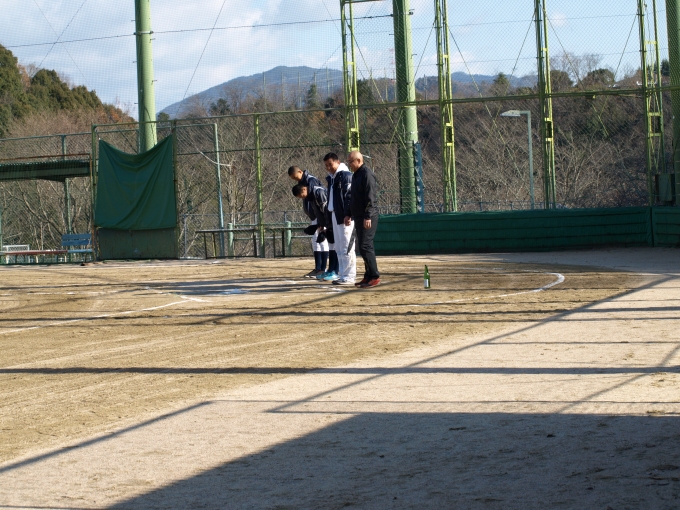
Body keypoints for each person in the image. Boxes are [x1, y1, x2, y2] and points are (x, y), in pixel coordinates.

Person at [347, 151, 380, 288]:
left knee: (365, 245)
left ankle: (374, 276)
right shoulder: (356, 175)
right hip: (359, 215)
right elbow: (354, 197)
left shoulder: (367, 174)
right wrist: (349, 214)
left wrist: (368, 215)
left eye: (351, 162)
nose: (349, 164)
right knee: (362, 246)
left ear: (359, 161)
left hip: (367, 216)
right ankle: (368, 276)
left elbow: (370, 197)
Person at [323, 152, 356, 286]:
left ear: (338, 162)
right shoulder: (333, 178)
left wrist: (348, 214)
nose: (328, 167)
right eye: (326, 165)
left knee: (347, 246)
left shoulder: (345, 176)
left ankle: (349, 276)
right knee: (339, 247)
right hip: (335, 214)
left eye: (330, 164)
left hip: (344, 215)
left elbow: (349, 196)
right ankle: (342, 274)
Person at [288, 165, 324, 277]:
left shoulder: (311, 181)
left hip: (319, 216)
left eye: (295, 177)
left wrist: (320, 218)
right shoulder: (302, 182)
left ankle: (322, 269)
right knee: (316, 243)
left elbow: (318, 198)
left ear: (300, 171)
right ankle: (318, 268)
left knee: (322, 242)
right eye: (293, 179)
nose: (295, 180)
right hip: (314, 217)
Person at [292, 182, 329, 278]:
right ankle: (319, 268)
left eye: (301, 195)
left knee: (325, 242)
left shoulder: (317, 191)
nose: (303, 198)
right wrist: (319, 223)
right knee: (317, 242)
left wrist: (324, 224)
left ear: (304, 189)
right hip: (319, 220)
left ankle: (324, 269)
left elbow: (324, 209)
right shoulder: (311, 195)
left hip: (326, 220)